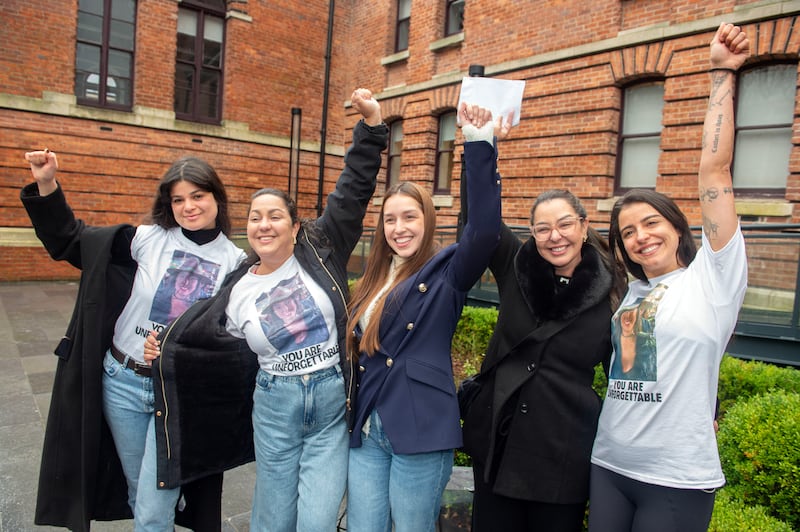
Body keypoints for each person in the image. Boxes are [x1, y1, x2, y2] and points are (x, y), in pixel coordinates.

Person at [144, 88, 389, 531]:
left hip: (331, 400)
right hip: (276, 404)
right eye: (256, 217)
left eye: (275, 215)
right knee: (273, 519)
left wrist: (370, 129)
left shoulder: (321, 247)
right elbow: (203, 343)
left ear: (296, 226)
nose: (264, 224)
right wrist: (160, 352)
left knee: (316, 520)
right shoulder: (235, 286)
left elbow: (353, 191)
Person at [21, 152, 246, 531]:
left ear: (216, 198)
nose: (188, 206)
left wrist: (178, 353)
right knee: (139, 492)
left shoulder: (234, 262)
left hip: (175, 395)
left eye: (197, 196)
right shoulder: (148, 239)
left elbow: (230, 343)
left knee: (156, 506)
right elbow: (72, 240)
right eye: (178, 199)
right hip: (121, 382)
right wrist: (47, 183)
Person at [588, 22, 750, 532]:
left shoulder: (713, 279)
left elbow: (714, 172)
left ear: (678, 227)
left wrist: (721, 73)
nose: (640, 236)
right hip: (610, 464)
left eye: (651, 222)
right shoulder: (629, 292)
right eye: (628, 231)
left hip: (676, 477)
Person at [343, 103, 507, 532]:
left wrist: (479, 143)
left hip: (421, 425)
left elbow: (485, 230)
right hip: (368, 425)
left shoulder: (447, 272)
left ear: (427, 220)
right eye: (390, 219)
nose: (399, 227)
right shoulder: (371, 276)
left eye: (410, 217)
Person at [460, 185, 627, 531]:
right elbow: (481, 216)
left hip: (563, 454)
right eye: (543, 228)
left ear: (583, 226)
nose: (555, 237)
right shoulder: (516, 267)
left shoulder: (613, 291)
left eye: (565, 225)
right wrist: (480, 142)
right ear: (532, 233)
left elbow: (630, 372)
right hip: (499, 446)